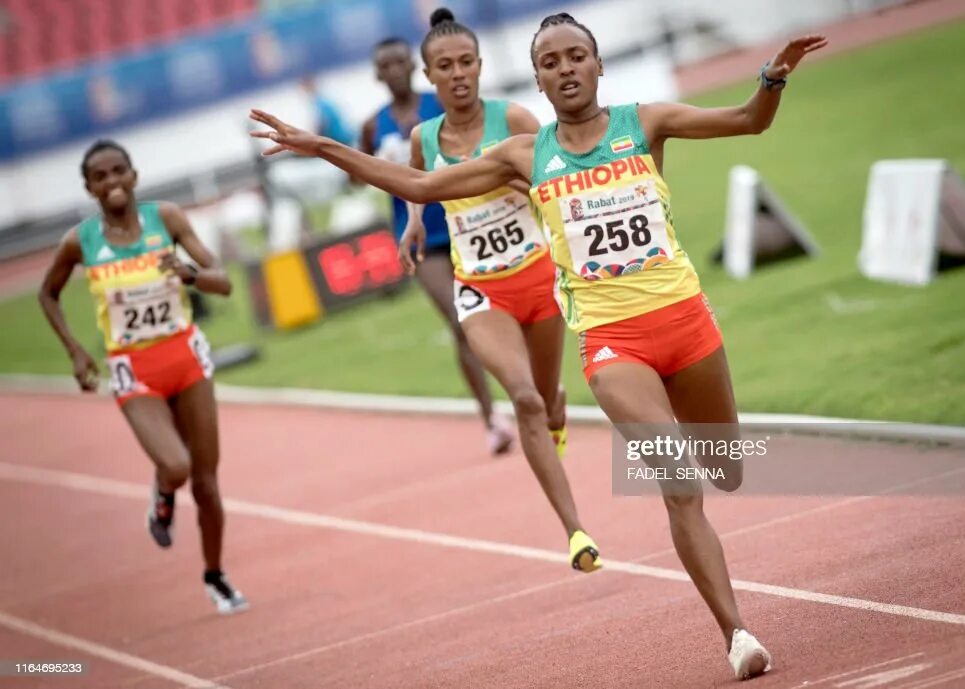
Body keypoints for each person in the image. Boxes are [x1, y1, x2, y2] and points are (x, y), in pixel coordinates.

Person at [249, 14, 827, 680]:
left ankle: (723, 551)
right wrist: (321, 145)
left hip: (687, 321)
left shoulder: (647, 122)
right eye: (550, 62)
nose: (565, 68)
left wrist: (773, 75)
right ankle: (736, 633)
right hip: (614, 343)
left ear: (599, 65)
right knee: (680, 481)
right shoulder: (524, 155)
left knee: (726, 467)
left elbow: (748, 120)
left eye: (576, 56)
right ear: (538, 79)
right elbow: (418, 186)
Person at [398, 8, 599, 571]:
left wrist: (518, 180)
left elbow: (553, 175)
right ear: (429, 76)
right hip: (481, 289)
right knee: (526, 399)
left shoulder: (511, 117)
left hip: (537, 275)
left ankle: (553, 424)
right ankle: (576, 532)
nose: (457, 73)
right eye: (444, 66)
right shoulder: (423, 136)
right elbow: (418, 179)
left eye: (466, 62)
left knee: (550, 397)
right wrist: (415, 218)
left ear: (480, 66)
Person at [38, 140, 249, 615]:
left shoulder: (167, 219)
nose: (112, 182)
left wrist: (189, 273)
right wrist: (74, 352)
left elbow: (223, 279)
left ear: (133, 176)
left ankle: (216, 576)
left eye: (119, 172)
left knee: (206, 481)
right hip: (135, 369)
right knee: (175, 467)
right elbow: (47, 295)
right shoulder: (80, 241)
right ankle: (161, 493)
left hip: (187, 358)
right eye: (100, 176)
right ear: (89, 187)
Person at [360, 36, 514, 456]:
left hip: (468, 221)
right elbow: (359, 175)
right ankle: (491, 418)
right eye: (384, 64)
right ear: (377, 74)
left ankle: (523, 390)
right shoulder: (374, 126)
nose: (393, 70)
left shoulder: (440, 103)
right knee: (461, 318)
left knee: (502, 311)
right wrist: (387, 167)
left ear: (412, 64)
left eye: (398, 61)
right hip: (420, 235)